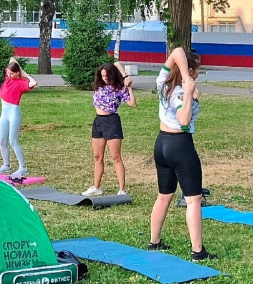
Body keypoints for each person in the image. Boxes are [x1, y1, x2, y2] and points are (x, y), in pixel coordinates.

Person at [148, 48, 215, 260]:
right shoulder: (178, 93)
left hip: (162, 144)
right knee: (193, 200)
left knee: (164, 196)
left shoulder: (163, 81)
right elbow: (184, 120)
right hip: (180, 146)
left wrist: (187, 83)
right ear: (191, 70)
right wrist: (187, 91)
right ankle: (198, 251)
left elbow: (177, 51)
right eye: (197, 70)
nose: (197, 74)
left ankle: (154, 242)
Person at [81, 61, 136, 197]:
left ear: (112, 74)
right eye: (103, 76)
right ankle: (96, 187)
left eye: (107, 76)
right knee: (97, 156)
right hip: (98, 121)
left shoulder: (119, 88)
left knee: (115, 156)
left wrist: (127, 84)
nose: (105, 78)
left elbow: (132, 104)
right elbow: (115, 62)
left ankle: (122, 190)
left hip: (112, 122)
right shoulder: (99, 86)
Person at [0, 57, 38, 178]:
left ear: (17, 73)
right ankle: (6, 165)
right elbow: (12, 58)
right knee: (2, 141)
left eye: (12, 73)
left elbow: (34, 83)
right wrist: (14, 70)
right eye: (8, 72)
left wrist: (24, 74)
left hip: (14, 113)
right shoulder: (8, 78)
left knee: (13, 141)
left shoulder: (21, 83)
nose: (9, 75)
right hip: (4, 113)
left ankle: (23, 167)